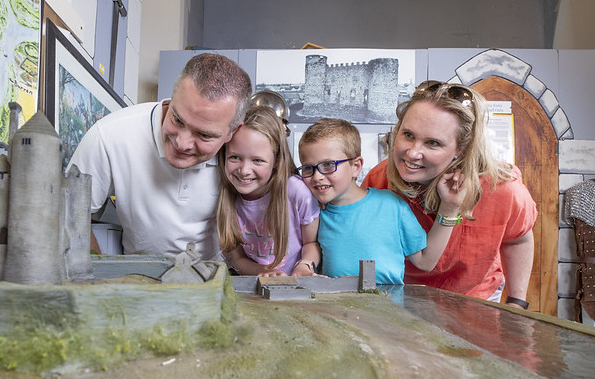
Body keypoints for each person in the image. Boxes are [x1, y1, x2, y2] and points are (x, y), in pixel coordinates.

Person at [361, 81, 537, 307]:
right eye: (408, 135)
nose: (412, 153)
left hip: (474, 296)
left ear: (460, 150)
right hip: (401, 294)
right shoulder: (379, 180)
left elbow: (518, 239)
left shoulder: (503, 190)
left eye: (432, 143)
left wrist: (517, 302)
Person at [68, 53, 252, 258]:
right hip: (139, 278)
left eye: (204, 135)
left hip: (213, 279)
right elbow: (67, 216)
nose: (182, 143)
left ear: (232, 133)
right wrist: (97, 274)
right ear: (172, 98)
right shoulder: (108, 136)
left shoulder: (242, 155)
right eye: (178, 120)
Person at [298, 118, 466, 285]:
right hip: (335, 306)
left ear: (356, 166)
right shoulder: (314, 213)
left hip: (388, 305)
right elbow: (310, 248)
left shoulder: (392, 205)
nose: (317, 177)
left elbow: (425, 261)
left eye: (328, 165)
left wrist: (449, 208)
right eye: (308, 168)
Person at [216, 105, 320, 277]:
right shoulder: (227, 196)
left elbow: (312, 243)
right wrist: (265, 273)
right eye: (235, 157)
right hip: (252, 287)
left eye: (257, 160)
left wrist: (304, 266)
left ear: (277, 160)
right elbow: (239, 259)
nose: (244, 170)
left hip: (297, 285)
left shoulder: (296, 191)